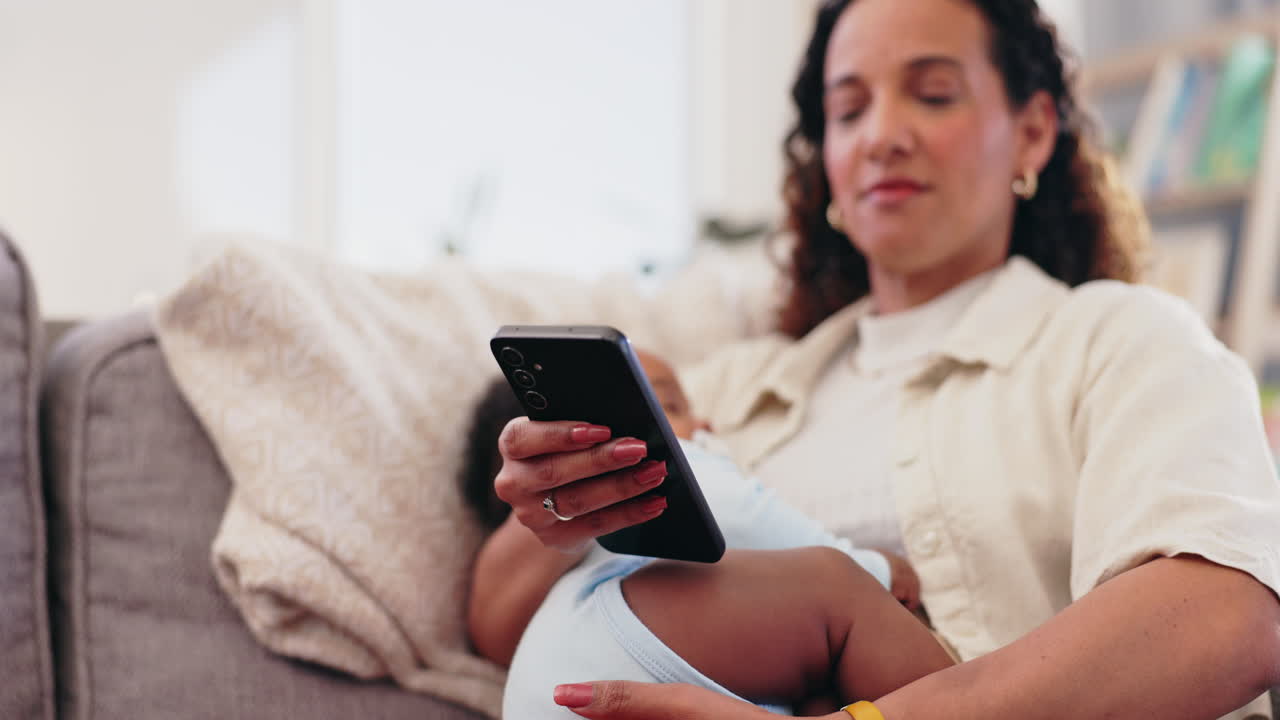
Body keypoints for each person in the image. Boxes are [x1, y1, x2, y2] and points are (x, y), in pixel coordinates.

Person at [477, 0, 1280, 718]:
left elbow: (1227, 615)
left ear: (1032, 132)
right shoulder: (722, 389)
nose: (882, 135)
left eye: (932, 95)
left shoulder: (1123, 339)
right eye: (849, 108)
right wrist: (554, 508)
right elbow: (496, 623)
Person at [463, 353, 936, 716]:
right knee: (838, 584)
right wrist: (872, 567)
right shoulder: (652, 468)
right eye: (668, 404)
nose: (706, 423)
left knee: (824, 693)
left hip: (552, 687)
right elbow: (745, 513)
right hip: (617, 644)